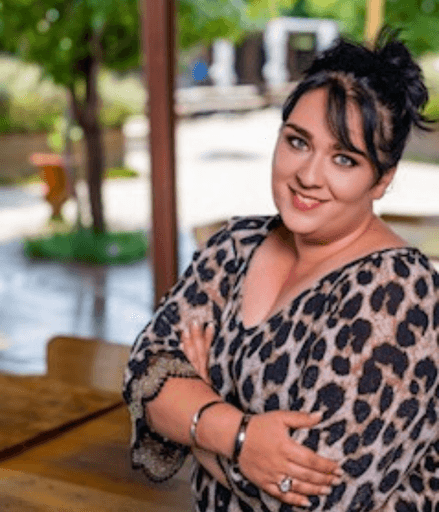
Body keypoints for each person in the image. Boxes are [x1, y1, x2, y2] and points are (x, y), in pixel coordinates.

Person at [123, 31, 439, 512]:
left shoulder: (398, 292)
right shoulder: (235, 245)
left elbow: (314, 498)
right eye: (297, 142)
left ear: (382, 179)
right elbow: (145, 375)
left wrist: (200, 418)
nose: (308, 176)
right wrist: (243, 436)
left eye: (344, 159)